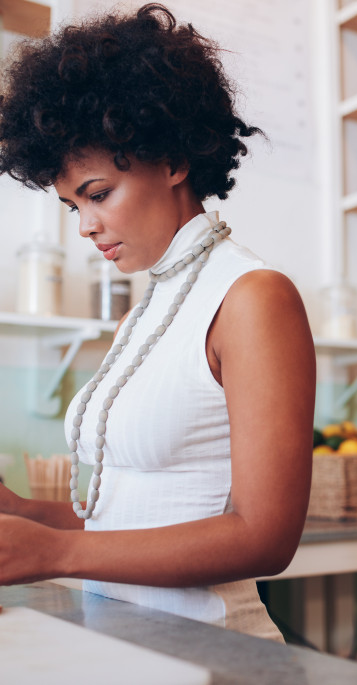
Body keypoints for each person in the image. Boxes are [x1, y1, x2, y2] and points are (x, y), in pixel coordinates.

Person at [0, 3, 315, 642]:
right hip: (126, 645)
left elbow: (264, 538)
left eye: (97, 193)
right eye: (71, 206)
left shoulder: (253, 298)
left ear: (172, 160)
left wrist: (51, 554)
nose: (85, 225)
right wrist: (21, 514)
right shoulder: (141, 318)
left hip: (216, 656)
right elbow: (133, 515)